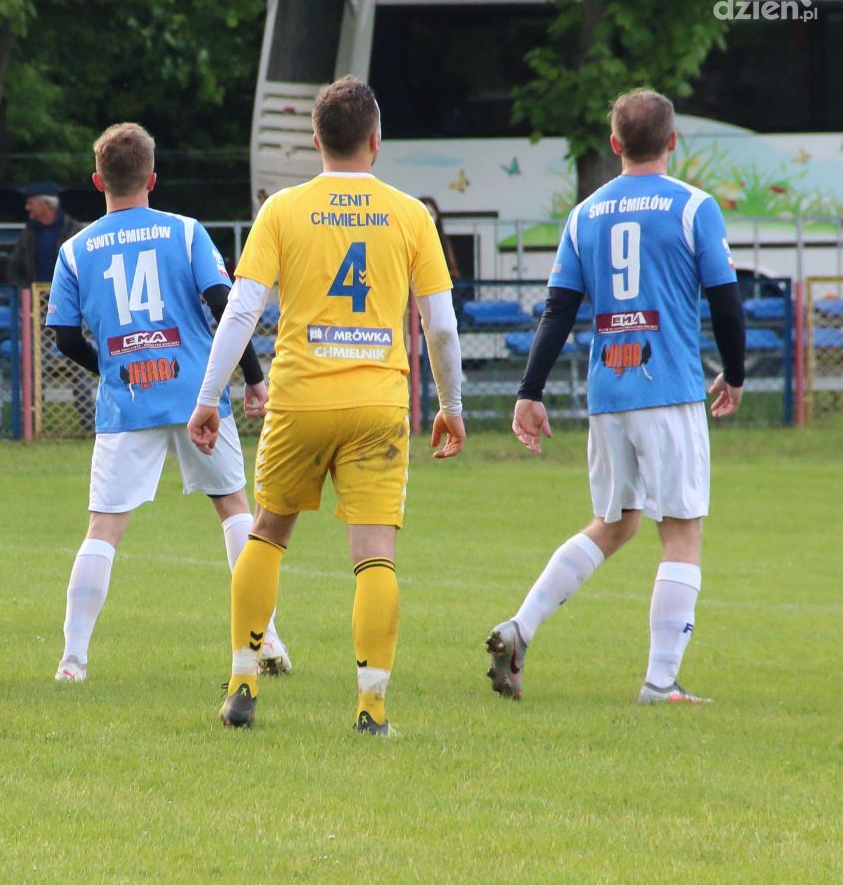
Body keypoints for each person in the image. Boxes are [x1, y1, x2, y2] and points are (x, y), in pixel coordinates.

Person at [188, 76, 466, 735]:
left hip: (300, 400)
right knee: (374, 555)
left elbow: (241, 311)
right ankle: (371, 706)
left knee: (267, 533)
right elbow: (442, 326)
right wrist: (450, 404)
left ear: (316, 141)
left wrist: (209, 396)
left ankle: (243, 679)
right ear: (376, 140)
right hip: (377, 404)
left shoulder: (283, 209)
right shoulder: (411, 214)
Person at [484, 88, 745, 706]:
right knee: (680, 531)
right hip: (668, 388)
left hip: (608, 394)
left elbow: (557, 310)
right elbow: (725, 300)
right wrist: (735, 373)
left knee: (616, 522)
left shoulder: (585, 215)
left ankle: (521, 627)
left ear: (614, 143)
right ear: (673, 141)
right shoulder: (693, 206)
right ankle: (660, 682)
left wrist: (529, 391)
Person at [46, 122, 288, 683]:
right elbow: (226, 304)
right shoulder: (185, 232)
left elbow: (64, 337)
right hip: (198, 396)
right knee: (234, 508)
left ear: (97, 180)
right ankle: (265, 637)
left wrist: (113, 371)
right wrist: (253, 378)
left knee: (103, 528)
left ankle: (73, 661)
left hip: (126, 402)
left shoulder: (74, 250)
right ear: (152, 178)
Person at [7, 180, 86, 287]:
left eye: (30, 203)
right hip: (35, 295)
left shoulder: (76, 231)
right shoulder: (29, 233)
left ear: (46, 204)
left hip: (67, 294)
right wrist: (23, 290)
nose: (27, 207)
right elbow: (14, 268)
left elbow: (86, 267)